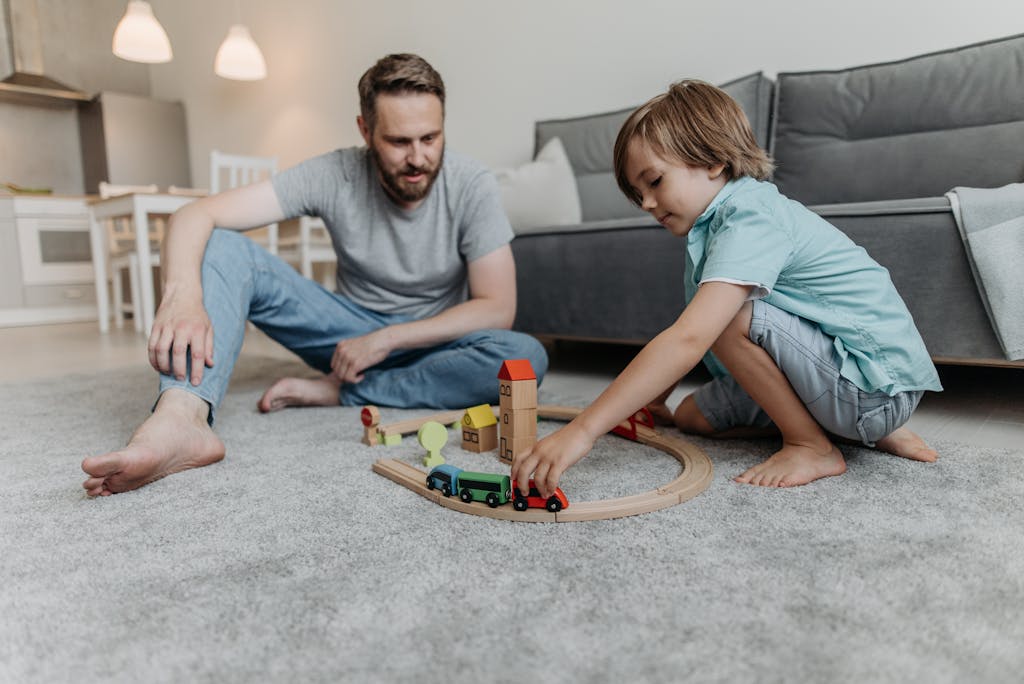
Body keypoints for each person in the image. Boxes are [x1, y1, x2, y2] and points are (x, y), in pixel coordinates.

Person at [82, 53, 547, 497]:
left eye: (431, 138)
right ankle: (182, 419)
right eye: (399, 142)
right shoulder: (335, 173)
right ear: (365, 131)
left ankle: (342, 391)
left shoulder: (473, 184)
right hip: (344, 335)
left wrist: (387, 340)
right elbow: (195, 215)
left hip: (434, 344)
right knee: (222, 242)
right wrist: (182, 295)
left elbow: (497, 307)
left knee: (524, 356)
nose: (418, 158)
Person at [511, 79, 941, 496]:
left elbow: (691, 336)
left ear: (713, 161)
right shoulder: (712, 228)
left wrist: (583, 430)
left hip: (871, 386)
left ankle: (813, 446)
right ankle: (854, 433)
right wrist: (654, 402)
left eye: (655, 181)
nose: (646, 203)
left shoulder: (750, 216)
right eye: (637, 193)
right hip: (852, 390)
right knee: (693, 416)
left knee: (730, 315)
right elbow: (688, 329)